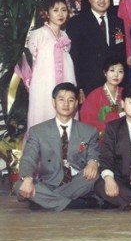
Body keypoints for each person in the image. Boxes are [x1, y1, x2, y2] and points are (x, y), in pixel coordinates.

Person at [16, 83, 100, 211]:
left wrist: (93, 162)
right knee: (19, 186)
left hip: (76, 182)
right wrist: (27, 179)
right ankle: (73, 204)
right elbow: (28, 158)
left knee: (94, 176)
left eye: (70, 100)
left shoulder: (89, 131)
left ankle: (44, 201)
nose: (66, 104)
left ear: (76, 103)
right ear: (53, 102)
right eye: (61, 100)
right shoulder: (38, 131)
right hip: (49, 182)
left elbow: (94, 153)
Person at [26, 0, 76, 131]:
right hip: (44, 85)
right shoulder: (38, 34)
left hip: (66, 80)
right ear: (47, 13)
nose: (60, 14)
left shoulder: (65, 36)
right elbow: (29, 63)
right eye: (55, 10)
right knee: (44, 113)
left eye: (64, 10)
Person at [67, 0, 126, 97]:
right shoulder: (77, 22)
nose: (102, 0)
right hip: (89, 84)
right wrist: (79, 86)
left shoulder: (118, 22)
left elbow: (121, 54)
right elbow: (74, 57)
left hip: (114, 83)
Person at [79, 57, 125, 139]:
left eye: (120, 71)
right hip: (102, 137)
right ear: (105, 73)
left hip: (123, 136)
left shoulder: (126, 93)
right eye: (112, 70)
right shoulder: (94, 95)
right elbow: (86, 119)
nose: (116, 75)